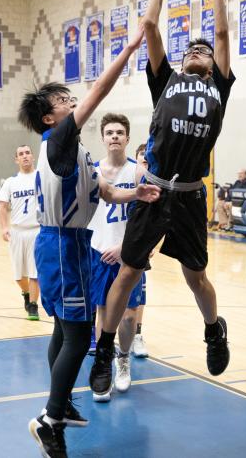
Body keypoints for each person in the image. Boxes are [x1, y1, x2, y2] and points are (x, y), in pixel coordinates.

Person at [90, 0, 234, 400]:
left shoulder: (219, 87)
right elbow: (150, 26)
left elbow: (224, 32)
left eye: (204, 51)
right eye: (191, 47)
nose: (197, 50)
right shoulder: (165, 79)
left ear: (212, 66)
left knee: (195, 278)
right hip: (152, 192)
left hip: (190, 196)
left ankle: (214, 330)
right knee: (128, 274)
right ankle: (105, 352)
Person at [20, 26, 159, 458]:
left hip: (71, 243)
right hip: (62, 244)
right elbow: (98, 92)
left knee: (65, 328)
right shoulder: (58, 140)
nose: (70, 101)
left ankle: (62, 405)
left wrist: (135, 193)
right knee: (80, 336)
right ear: (49, 117)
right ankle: (49, 419)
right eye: (61, 100)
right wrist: (130, 49)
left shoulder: (75, 150)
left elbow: (104, 192)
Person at [87, 113, 149, 402]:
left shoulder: (137, 173)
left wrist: (125, 247)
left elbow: (148, 219)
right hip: (99, 251)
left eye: (119, 132)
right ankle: (105, 364)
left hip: (129, 253)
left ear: (127, 138)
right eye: (109, 132)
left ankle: (122, 358)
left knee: (127, 316)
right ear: (102, 138)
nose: (114, 136)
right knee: (103, 312)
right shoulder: (92, 172)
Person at [0, 144, 40, 321]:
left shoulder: (41, 178)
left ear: (33, 156)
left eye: (28, 153)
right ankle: (25, 293)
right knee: (18, 276)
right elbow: (3, 206)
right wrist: (4, 228)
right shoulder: (10, 182)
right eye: (21, 154)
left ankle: (33, 306)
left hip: (37, 231)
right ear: (17, 159)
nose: (25, 156)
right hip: (17, 232)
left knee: (34, 273)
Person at [130, 143, 150, 358]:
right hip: (113, 243)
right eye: (141, 156)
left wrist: (154, 244)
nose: (144, 159)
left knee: (139, 296)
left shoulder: (154, 182)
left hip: (139, 246)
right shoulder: (125, 177)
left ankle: (137, 335)